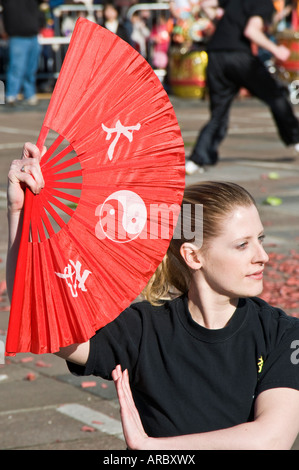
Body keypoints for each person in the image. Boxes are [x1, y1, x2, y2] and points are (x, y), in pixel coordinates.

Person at [7, 143, 299, 449]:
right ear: (193, 256)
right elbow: (35, 320)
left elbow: (271, 439)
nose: (263, 256)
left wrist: (151, 448)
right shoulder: (144, 329)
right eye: (243, 245)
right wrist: (19, 211)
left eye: (261, 239)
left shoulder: (282, 334)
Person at [185, 0, 299, 175]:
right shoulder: (262, 4)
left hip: (215, 56)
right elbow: (251, 31)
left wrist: (217, 17)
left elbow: (206, 4)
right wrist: (276, 50)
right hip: (239, 57)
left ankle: (197, 160)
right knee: (275, 97)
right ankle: (295, 138)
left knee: (218, 114)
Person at [0, 0, 44, 106]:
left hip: (33, 35)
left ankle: (29, 94)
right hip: (17, 36)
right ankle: (11, 95)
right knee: (16, 68)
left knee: (31, 68)